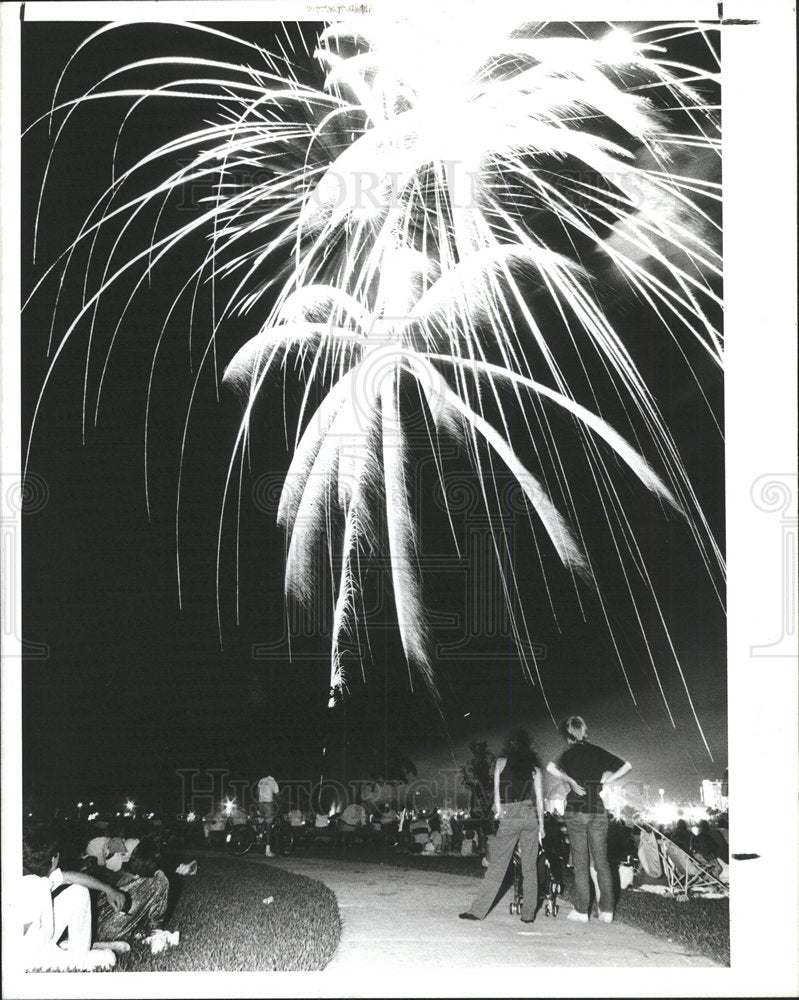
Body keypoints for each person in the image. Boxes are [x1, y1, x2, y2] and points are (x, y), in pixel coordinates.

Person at [547, 715, 631, 923]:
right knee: (601, 861)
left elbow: (549, 768)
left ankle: (582, 910)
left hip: (576, 809)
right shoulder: (597, 751)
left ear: (567, 735)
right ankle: (607, 910)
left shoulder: (567, 754)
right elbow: (627, 765)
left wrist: (570, 780)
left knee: (581, 861)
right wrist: (608, 779)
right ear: (584, 731)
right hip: (598, 810)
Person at [459, 729, 544, 923]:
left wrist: (501, 813)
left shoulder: (501, 762)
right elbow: (540, 801)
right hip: (529, 815)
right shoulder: (535, 769)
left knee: (498, 866)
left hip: (510, 814)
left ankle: (477, 911)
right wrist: (542, 827)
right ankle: (528, 915)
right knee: (529, 867)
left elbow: (496, 799)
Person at [22, 826, 126, 971]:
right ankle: (75, 957)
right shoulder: (32, 887)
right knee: (108, 958)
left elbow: (72, 877)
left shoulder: (39, 876)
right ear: (54, 859)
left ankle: (77, 951)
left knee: (79, 890)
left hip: (39, 941)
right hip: (30, 958)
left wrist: (109, 890)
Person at [95, 839, 169, 943]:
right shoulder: (159, 879)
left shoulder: (121, 873)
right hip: (115, 932)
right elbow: (157, 916)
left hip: (94, 925)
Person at [256, 775, 280, 857]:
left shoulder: (261, 780)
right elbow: (278, 795)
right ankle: (268, 851)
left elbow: (257, 792)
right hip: (268, 804)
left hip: (260, 804)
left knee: (264, 820)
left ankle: (260, 835)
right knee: (269, 827)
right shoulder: (274, 783)